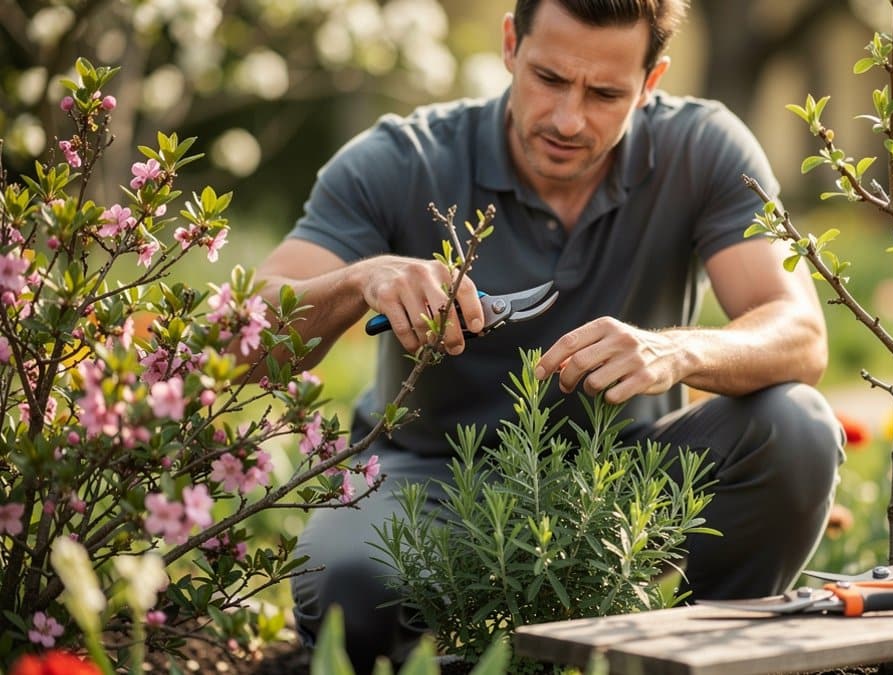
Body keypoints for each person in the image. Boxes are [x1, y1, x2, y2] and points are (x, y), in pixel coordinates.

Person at [256, 0, 844, 670]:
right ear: (511, 44)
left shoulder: (703, 147)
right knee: (348, 583)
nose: (569, 119)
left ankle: (700, 658)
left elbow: (800, 333)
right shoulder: (400, 159)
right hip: (430, 481)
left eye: (605, 93)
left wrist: (676, 351)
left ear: (652, 82)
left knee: (795, 426)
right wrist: (361, 279)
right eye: (549, 79)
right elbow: (253, 333)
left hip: (627, 484)